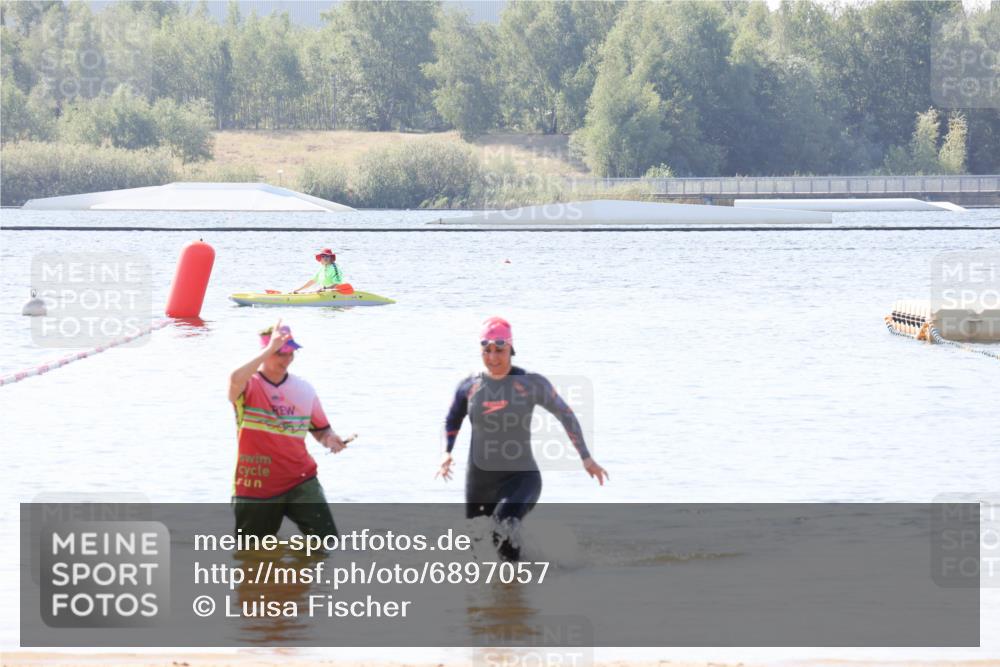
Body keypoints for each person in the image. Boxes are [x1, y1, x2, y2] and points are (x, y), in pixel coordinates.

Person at [437, 316, 609, 560]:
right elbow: (452, 419)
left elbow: (566, 415)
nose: (493, 357)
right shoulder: (470, 386)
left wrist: (586, 459)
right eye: (487, 351)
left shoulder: (529, 384)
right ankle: (511, 581)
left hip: (521, 478)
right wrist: (447, 452)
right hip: (479, 481)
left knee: (502, 527)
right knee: (475, 549)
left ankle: (514, 589)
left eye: (500, 350)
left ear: (511, 348)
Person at [228, 320, 347, 537]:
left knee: (325, 542)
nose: (287, 358)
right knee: (253, 555)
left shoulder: (304, 389)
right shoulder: (249, 385)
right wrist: (269, 349)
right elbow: (234, 380)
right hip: (256, 485)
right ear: (265, 351)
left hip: (300, 480)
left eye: (290, 352)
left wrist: (330, 439)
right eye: (280, 353)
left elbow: (321, 430)